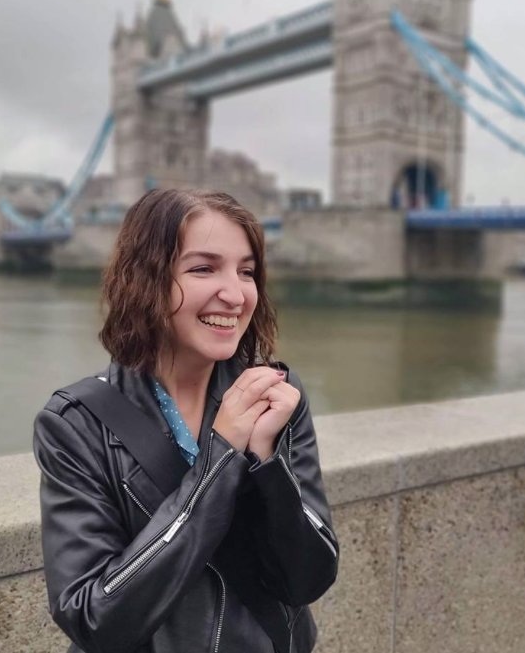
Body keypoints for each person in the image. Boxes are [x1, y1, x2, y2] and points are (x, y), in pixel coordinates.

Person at [33, 189, 339, 653]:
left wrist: (267, 463)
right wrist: (221, 458)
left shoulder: (275, 394)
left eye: (247, 272)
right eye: (203, 269)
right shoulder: (76, 423)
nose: (235, 295)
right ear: (145, 280)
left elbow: (308, 580)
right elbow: (93, 618)